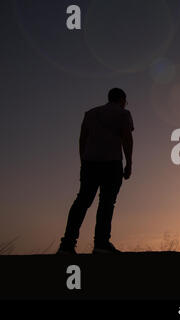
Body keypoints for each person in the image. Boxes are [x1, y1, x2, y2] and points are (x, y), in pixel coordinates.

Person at [57, 88, 134, 254]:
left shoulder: (90, 113)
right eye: (125, 101)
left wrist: (83, 162)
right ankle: (101, 243)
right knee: (106, 204)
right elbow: (127, 139)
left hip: (89, 163)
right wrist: (129, 163)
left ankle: (67, 244)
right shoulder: (123, 114)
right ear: (122, 99)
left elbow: (82, 139)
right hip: (112, 163)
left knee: (82, 202)